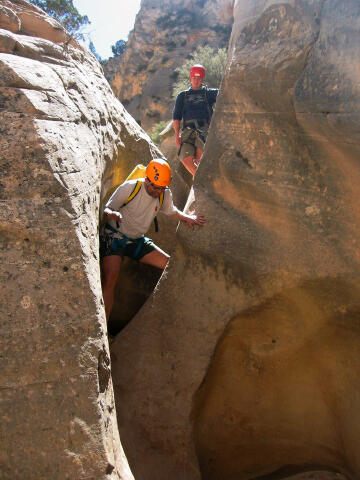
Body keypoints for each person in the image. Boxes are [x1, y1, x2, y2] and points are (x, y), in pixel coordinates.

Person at [100, 158, 206, 320]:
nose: (157, 192)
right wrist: (112, 214)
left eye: (162, 188)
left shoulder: (164, 193)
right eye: (155, 187)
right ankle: (104, 327)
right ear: (147, 180)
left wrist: (187, 218)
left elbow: (171, 212)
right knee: (110, 277)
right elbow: (107, 208)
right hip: (114, 236)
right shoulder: (130, 188)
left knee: (170, 265)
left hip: (137, 240)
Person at [173, 64, 218, 177]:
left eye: (198, 78)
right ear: (190, 78)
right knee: (185, 159)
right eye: (194, 78)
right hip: (187, 132)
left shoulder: (209, 93)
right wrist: (176, 135)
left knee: (199, 159)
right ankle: (200, 179)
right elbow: (176, 117)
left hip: (204, 131)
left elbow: (224, 93)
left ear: (202, 79)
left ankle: (201, 181)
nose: (196, 81)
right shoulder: (182, 96)